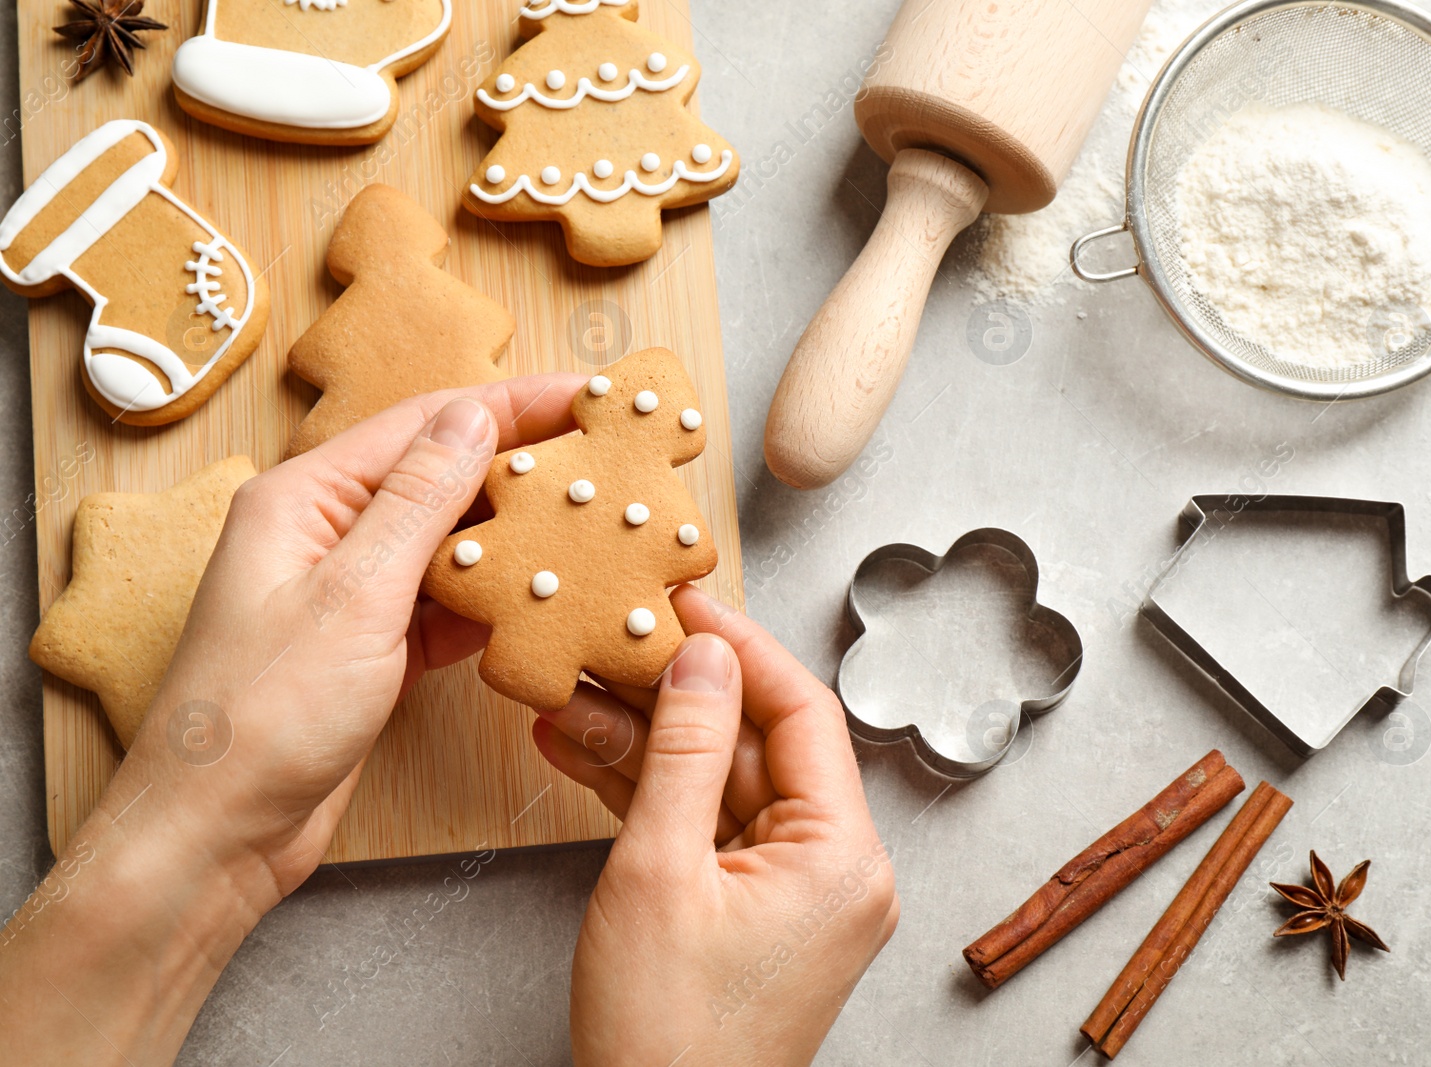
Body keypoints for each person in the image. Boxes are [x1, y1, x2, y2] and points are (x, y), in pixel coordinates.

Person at [0, 377, 899, 1065]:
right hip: (519, 591)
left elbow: (672, 541)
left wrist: (206, 833)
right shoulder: (550, 470)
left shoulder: (609, 492)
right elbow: (623, 521)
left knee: (536, 653)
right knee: (530, 651)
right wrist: (213, 837)